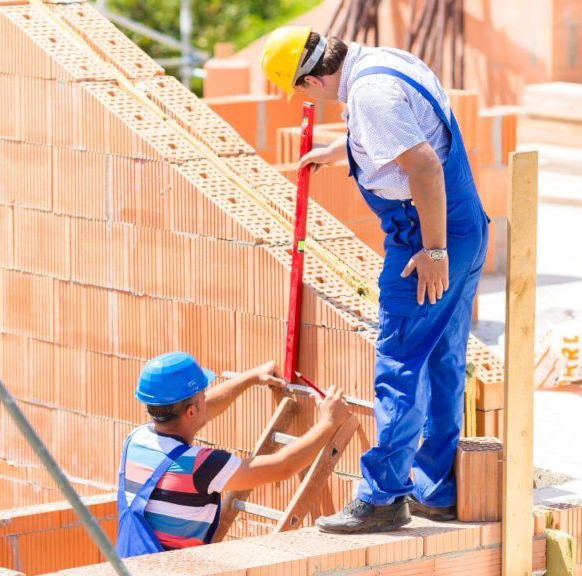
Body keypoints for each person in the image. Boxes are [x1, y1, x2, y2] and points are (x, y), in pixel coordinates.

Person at [260, 27, 490, 534]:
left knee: (401, 362)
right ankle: (437, 489)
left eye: (300, 90)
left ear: (315, 79)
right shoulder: (382, 62)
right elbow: (413, 137)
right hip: (465, 228)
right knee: (442, 359)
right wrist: (344, 151)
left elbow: (425, 168)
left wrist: (432, 252)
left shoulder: (369, 95)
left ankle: (384, 496)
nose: (304, 100)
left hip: (426, 237)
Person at [115, 351, 349, 556]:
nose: (207, 398)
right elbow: (282, 466)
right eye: (203, 396)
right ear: (191, 411)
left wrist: (248, 378)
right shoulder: (202, 466)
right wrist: (330, 420)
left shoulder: (136, 440)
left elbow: (197, 414)